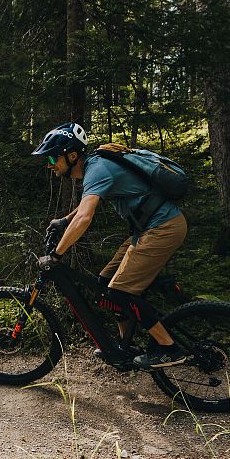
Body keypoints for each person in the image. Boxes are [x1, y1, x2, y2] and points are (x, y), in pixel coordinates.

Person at [32, 122, 189, 368]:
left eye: (53, 158)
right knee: (106, 286)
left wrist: (57, 255)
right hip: (147, 229)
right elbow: (83, 208)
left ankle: (170, 349)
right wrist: (64, 220)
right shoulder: (95, 167)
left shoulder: (97, 169)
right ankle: (124, 346)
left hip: (163, 228)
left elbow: (85, 217)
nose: (50, 164)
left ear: (72, 156)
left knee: (120, 292)